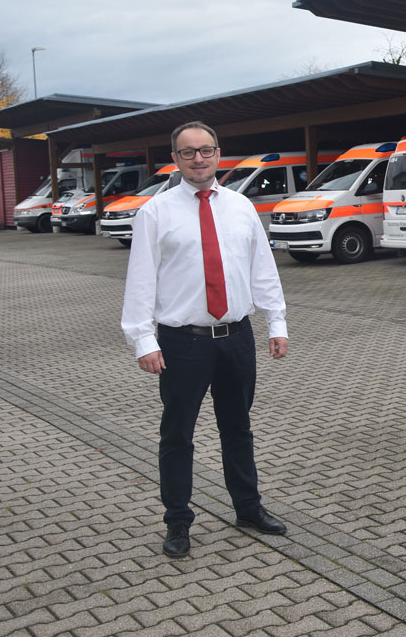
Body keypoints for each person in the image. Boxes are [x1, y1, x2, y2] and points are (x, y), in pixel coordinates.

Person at [121, 121, 290, 558]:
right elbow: (140, 280)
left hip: (236, 337)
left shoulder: (241, 207)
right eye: (188, 152)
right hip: (183, 343)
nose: (198, 158)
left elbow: (262, 269)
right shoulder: (155, 213)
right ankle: (178, 521)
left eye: (206, 150)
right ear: (175, 159)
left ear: (219, 154)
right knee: (177, 434)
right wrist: (143, 339)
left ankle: (248, 508)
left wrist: (277, 322)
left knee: (238, 428)